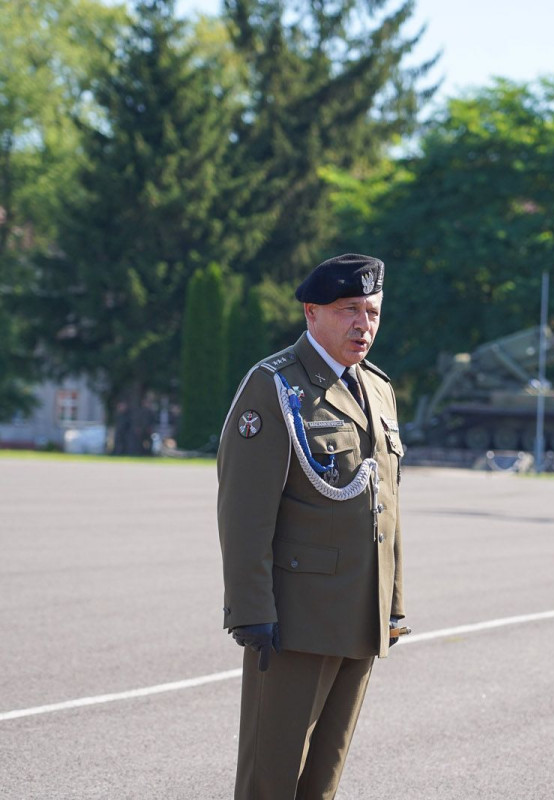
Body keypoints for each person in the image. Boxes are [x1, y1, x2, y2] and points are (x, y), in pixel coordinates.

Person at [217, 253, 407, 800]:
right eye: (349, 310)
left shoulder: (377, 388)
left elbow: (387, 504)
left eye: (372, 312)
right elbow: (244, 512)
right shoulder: (275, 386)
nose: (364, 325)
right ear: (312, 312)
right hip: (295, 621)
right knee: (271, 779)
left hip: (361, 615)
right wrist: (250, 610)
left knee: (323, 780)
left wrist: (393, 602)